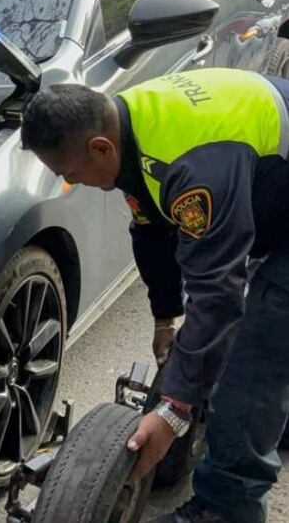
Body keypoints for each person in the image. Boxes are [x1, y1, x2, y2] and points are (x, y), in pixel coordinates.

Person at [20, 69, 289, 523]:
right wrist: (167, 318)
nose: (73, 183)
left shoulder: (193, 163)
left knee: (253, 360)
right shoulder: (125, 125)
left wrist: (174, 409)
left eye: (71, 174)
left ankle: (227, 508)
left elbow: (218, 295)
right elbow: (151, 232)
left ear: (100, 148)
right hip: (271, 189)